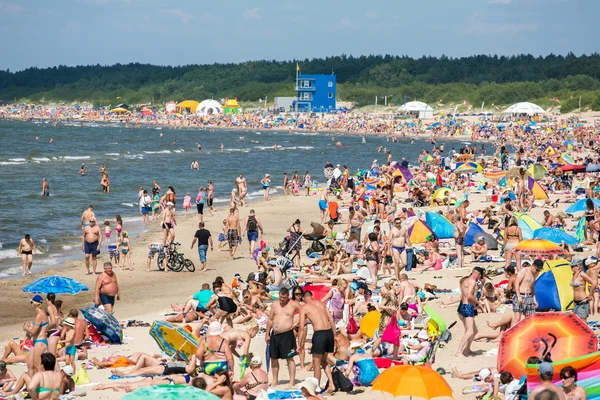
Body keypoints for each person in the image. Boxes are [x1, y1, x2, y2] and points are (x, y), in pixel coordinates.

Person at [299, 290, 336, 393]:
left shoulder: (304, 308)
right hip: (329, 332)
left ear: (303, 298)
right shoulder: (320, 303)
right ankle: (332, 384)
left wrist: (299, 344)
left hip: (320, 334)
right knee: (324, 361)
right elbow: (331, 319)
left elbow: (301, 328)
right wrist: (334, 336)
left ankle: (316, 388)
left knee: (316, 363)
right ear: (312, 296)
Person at [266, 287, 301, 386]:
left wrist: (298, 322)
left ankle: (292, 381)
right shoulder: (275, 304)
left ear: (288, 297)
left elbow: (305, 311)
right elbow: (270, 319)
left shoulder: (293, 304)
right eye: (280, 297)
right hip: (275, 334)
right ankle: (275, 380)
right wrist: (267, 334)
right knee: (274, 358)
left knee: (289, 358)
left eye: (284, 298)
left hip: (287, 334)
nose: (281, 300)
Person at [456, 267, 483, 358]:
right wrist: (479, 303)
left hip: (465, 306)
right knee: (470, 331)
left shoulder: (465, 280)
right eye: (480, 276)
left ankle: (467, 350)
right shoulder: (472, 281)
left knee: (473, 331)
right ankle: (459, 351)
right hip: (468, 307)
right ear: (477, 274)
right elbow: (469, 296)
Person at [513, 259, 542, 326]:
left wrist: (534, 300)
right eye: (537, 269)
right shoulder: (524, 270)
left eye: (539, 270)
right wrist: (518, 296)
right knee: (517, 318)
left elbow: (532, 287)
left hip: (529, 296)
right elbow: (516, 283)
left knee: (530, 318)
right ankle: (511, 335)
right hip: (521, 295)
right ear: (533, 265)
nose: (537, 271)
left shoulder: (535, 274)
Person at [570, 258, 594, 322]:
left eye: (573, 266)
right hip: (575, 302)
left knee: (582, 323)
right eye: (571, 266)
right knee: (575, 322)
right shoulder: (573, 274)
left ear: (578, 266)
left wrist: (590, 295)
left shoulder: (582, 274)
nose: (571, 268)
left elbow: (594, 283)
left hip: (583, 302)